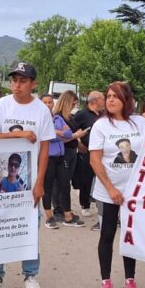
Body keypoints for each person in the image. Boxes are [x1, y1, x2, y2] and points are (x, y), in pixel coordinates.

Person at [0, 62, 54, 288]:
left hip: (28, 182)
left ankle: (30, 276)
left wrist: (40, 183)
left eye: (22, 80)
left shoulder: (41, 110)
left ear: (33, 83)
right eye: (14, 80)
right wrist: (17, 133)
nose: (17, 85)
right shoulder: (2, 105)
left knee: (30, 226)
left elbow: (44, 149)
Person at [89, 81, 145, 288]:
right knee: (108, 234)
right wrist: (111, 188)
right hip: (108, 191)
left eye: (116, 96)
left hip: (135, 192)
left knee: (130, 236)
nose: (110, 99)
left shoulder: (139, 122)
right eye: (108, 95)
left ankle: (130, 279)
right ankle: (106, 281)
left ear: (126, 99)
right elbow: (95, 159)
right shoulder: (101, 125)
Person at [45, 90, 84, 228]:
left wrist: (62, 134)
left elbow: (67, 133)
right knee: (50, 185)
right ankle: (53, 213)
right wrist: (61, 134)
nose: (48, 105)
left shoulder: (61, 118)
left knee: (64, 184)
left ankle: (67, 214)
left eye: (50, 102)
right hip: (52, 155)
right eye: (45, 103)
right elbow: (49, 136)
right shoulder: (53, 117)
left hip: (64, 153)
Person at [73, 91, 104, 220]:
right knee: (86, 180)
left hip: (103, 153)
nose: (105, 101)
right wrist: (78, 143)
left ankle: (101, 205)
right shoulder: (81, 115)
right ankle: (85, 205)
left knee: (101, 178)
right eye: (103, 99)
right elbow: (71, 130)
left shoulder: (104, 115)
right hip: (87, 153)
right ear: (95, 101)